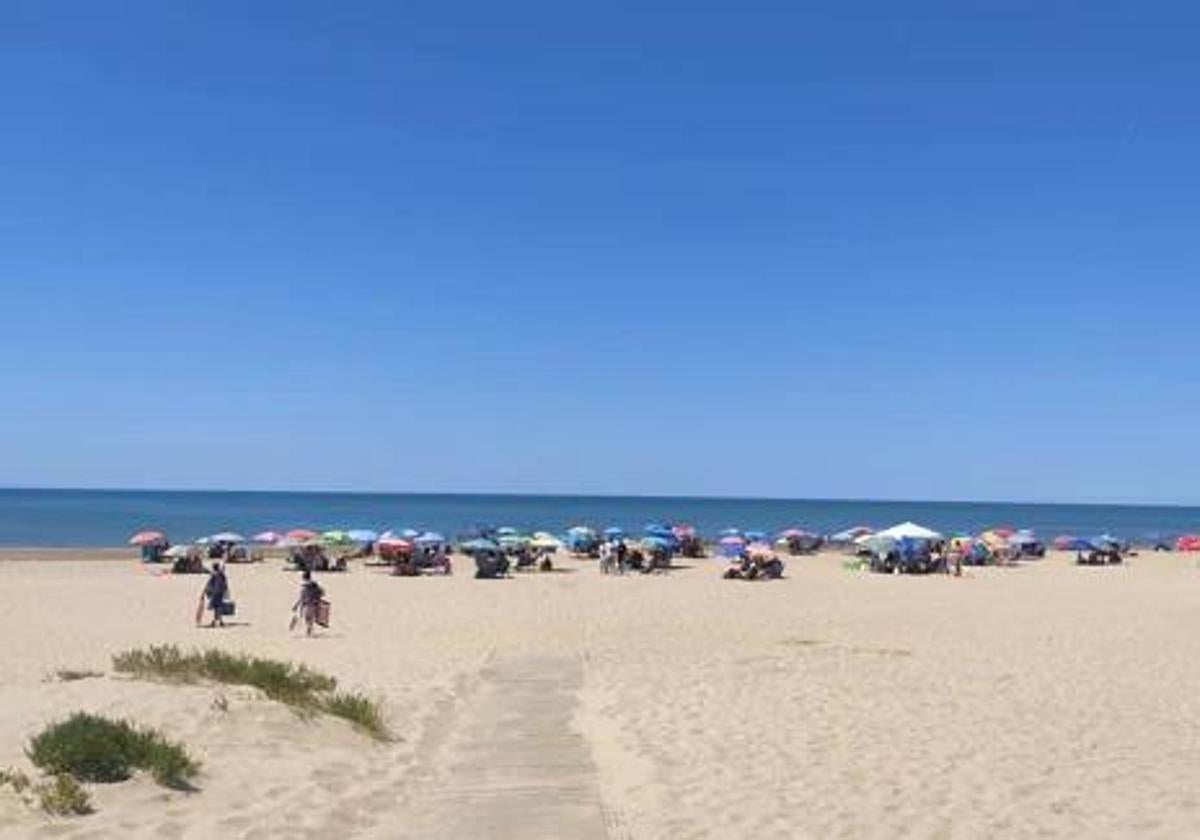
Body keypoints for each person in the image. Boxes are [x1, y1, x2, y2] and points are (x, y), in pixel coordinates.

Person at [293, 570, 326, 636]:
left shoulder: (305, 586)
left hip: (307, 604)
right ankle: (309, 630)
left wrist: (296, 605)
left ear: (303, 577)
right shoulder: (315, 585)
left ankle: (309, 630)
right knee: (311, 618)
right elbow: (322, 593)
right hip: (315, 603)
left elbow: (302, 597)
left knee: (307, 618)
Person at [199, 562, 229, 628]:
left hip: (215, 594)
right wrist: (226, 592)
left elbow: (208, 585)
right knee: (218, 608)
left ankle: (218, 621)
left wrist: (204, 593)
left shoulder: (214, 575)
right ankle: (219, 621)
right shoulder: (221, 574)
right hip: (220, 593)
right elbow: (225, 584)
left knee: (217, 608)